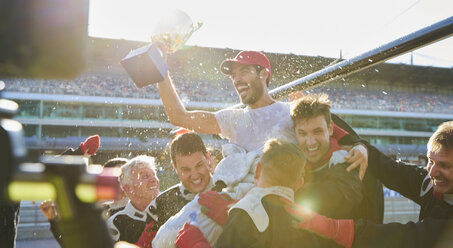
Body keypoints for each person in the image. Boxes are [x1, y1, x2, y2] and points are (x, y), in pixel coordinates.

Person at [155, 49, 368, 175]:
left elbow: (336, 133)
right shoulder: (231, 119)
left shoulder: (291, 112)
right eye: (234, 75)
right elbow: (179, 117)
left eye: (244, 72)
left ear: (264, 74)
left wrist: (360, 147)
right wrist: (160, 69)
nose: (237, 79)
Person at [284, 120, 453, 248]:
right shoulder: (430, 181)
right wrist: (323, 122)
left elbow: (399, 237)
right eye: (430, 161)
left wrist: (329, 226)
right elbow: (388, 168)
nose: (431, 172)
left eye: (444, 165)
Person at [174, 139, 347, 248]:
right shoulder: (310, 219)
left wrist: (194, 243)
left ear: (257, 171)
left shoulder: (245, 210)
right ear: (299, 184)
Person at [290, 93, 369, 220]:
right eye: (302, 133)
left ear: (331, 129)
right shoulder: (292, 163)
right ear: (294, 133)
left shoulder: (348, 160)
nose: (310, 142)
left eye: (317, 131)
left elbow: (333, 201)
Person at [135, 132, 214, 247]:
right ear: (174, 167)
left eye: (199, 165)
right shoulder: (159, 205)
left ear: (207, 158)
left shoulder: (230, 191)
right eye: (186, 169)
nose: (195, 175)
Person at [106, 155, 160, 244]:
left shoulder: (171, 209)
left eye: (153, 174)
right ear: (128, 188)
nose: (154, 180)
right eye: (145, 176)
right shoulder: (116, 223)